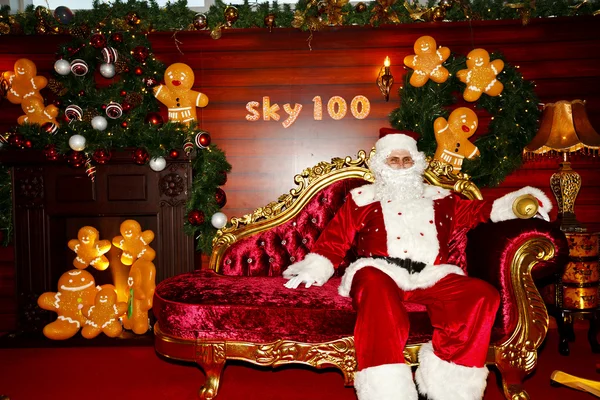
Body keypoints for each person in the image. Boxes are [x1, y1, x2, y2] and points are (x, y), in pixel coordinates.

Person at [282, 131, 552, 400]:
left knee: (482, 295)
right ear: (381, 165)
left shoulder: (441, 198)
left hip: (430, 274)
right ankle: (387, 392)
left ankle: (450, 388)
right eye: (393, 160)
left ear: (417, 163)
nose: (400, 165)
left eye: (406, 159)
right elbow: (334, 241)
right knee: (375, 290)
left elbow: (481, 211)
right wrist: (314, 269)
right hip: (379, 270)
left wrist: (519, 204)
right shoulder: (361, 199)